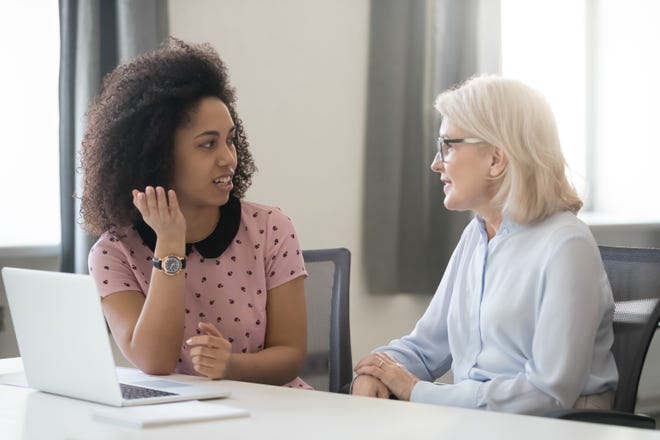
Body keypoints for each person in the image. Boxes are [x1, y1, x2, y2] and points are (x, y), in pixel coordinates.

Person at [351, 75, 618, 414]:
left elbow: (547, 394)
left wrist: (417, 392)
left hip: (556, 428)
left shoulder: (567, 245)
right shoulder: (476, 235)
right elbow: (426, 346)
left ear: (495, 159)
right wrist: (376, 370)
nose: (436, 164)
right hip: (476, 423)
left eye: (448, 146)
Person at [80, 37, 310, 389]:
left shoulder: (271, 229)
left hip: (274, 415)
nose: (228, 158)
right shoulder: (113, 254)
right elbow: (154, 361)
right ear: (158, 155)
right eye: (207, 144)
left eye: (230, 140)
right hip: (177, 421)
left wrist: (231, 366)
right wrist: (170, 244)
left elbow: (291, 355)